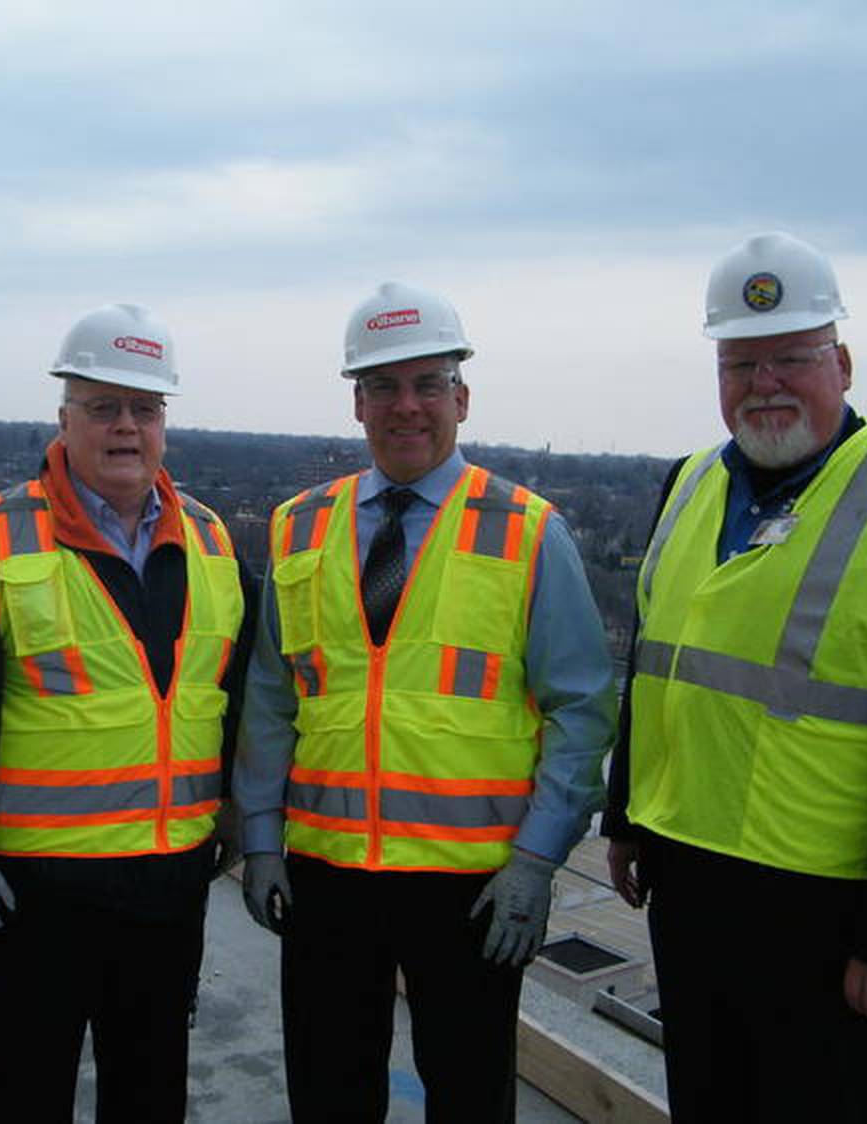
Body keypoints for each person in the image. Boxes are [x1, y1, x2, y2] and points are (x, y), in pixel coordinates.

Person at [604, 231, 867, 1122]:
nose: (765, 383)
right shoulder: (687, 485)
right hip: (689, 880)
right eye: (740, 362)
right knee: (705, 1100)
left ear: (844, 362)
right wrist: (627, 816)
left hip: (819, 911)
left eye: (792, 357)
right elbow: (657, 668)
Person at [236, 281, 618, 1123]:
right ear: (357, 403)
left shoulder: (526, 530)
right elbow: (271, 698)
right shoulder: (299, 525)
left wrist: (536, 862)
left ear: (462, 397)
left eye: (427, 384)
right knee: (330, 1093)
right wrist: (260, 839)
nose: (406, 407)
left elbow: (583, 710)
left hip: (471, 884)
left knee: (471, 1094)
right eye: (383, 386)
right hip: (329, 876)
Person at [0, 302, 254, 1123]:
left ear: (165, 424)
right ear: (63, 416)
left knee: (150, 1094)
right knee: (21, 1092)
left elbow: (235, 697)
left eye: (144, 409)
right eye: (102, 407)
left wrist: (239, 815)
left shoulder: (212, 543)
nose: (124, 428)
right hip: (34, 892)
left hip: (168, 884)